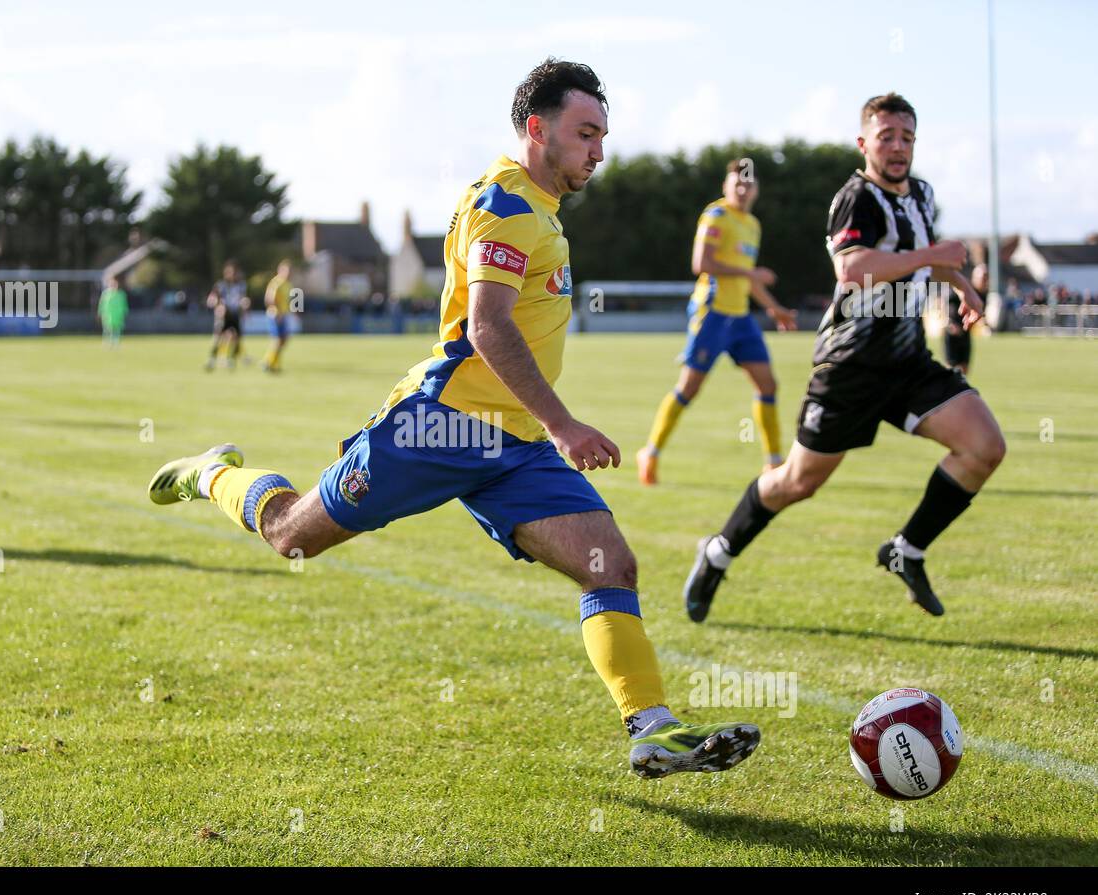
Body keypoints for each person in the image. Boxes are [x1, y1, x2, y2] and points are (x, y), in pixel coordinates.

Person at [146, 59, 762, 779]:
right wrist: (565, 425)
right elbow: (488, 328)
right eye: (585, 132)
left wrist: (543, 430)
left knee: (609, 561)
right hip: (440, 429)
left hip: (516, 445)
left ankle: (653, 728)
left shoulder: (541, 210)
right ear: (537, 129)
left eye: (603, 134)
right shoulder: (502, 205)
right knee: (292, 536)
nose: (599, 150)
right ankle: (211, 473)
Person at [684, 92, 1006, 621]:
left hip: (907, 363)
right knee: (797, 482)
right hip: (850, 367)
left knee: (984, 446)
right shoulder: (855, 198)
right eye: (886, 137)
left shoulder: (920, 194)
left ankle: (908, 550)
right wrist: (934, 257)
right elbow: (855, 270)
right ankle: (717, 551)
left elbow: (920, 256)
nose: (898, 147)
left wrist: (961, 287)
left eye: (906, 137)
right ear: (864, 144)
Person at [637, 159, 798, 484]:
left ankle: (773, 462)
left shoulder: (752, 224)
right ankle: (650, 452)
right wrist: (750, 273)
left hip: (741, 318)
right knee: (688, 389)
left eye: (749, 183)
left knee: (768, 385)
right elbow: (702, 262)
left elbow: (749, 280)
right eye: (737, 182)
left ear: (756, 189)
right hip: (712, 314)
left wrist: (774, 307)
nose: (743, 188)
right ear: (726, 186)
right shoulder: (716, 215)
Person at [205, 261, 251, 371]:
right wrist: (217, 305)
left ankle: (231, 359)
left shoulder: (241, 285)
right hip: (224, 314)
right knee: (218, 338)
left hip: (235, 314)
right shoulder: (220, 285)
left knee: (236, 339)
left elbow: (243, 299)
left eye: (234, 272)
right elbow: (212, 299)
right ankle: (212, 360)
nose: (232, 275)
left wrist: (245, 304)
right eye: (230, 272)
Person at [262, 261, 294, 373]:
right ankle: (268, 362)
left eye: (290, 271)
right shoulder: (276, 282)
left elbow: (287, 301)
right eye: (287, 271)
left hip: (283, 315)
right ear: (280, 270)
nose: (289, 273)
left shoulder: (288, 284)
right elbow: (269, 299)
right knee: (277, 340)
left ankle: (272, 363)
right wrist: (277, 312)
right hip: (275, 315)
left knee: (284, 340)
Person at [97, 275, 127, 348]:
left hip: (117, 315)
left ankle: (115, 343)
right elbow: (102, 304)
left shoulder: (121, 294)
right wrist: (100, 313)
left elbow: (124, 305)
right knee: (107, 329)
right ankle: (107, 343)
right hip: (107, 315)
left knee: (116, 329)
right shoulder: (105, 294)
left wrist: (124, 312)